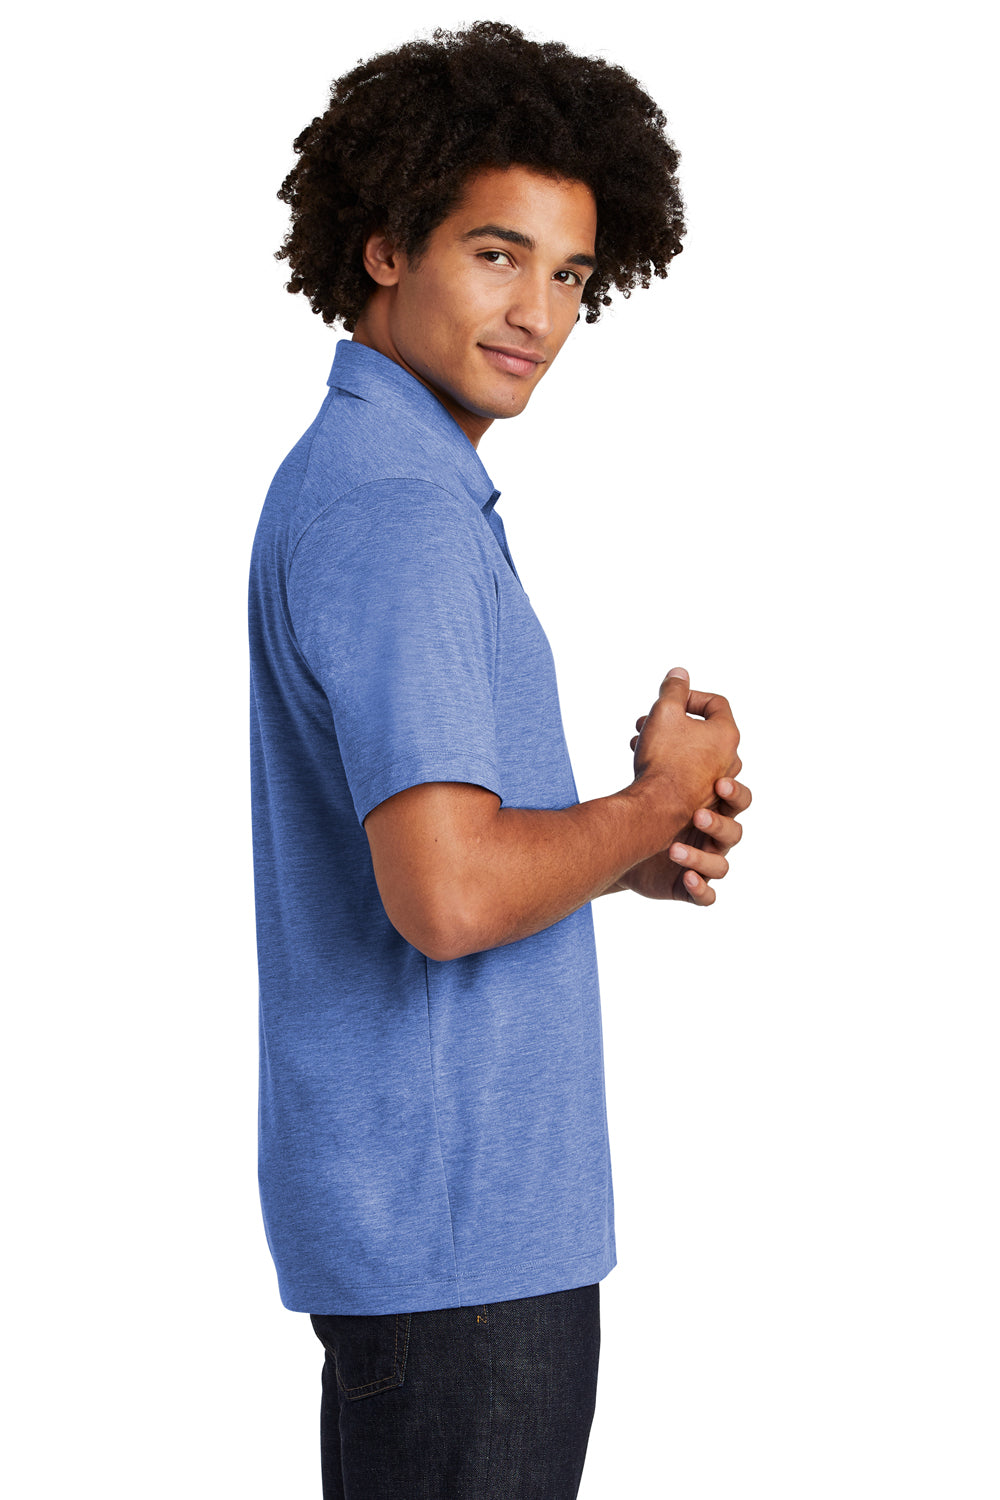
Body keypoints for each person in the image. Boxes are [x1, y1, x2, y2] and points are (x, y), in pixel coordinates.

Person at [249, 20, 751, 1499]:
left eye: (574, 275)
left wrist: (630, 851)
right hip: (460, 1250)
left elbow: (436, 863)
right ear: (385, 246)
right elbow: (450, 898)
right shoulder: (397, 515)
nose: (540, 312)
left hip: (441, 1240)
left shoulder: (388, 479)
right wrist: (654, 796)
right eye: (496, 255)